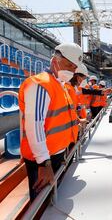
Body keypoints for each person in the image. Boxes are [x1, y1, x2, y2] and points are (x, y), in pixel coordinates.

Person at [19, 42, 83, 201]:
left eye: (74, 68)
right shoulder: (41, 84)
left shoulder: (60, 85)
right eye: (69, 65)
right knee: (42, 205)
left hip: (57, 154)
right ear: (55, 60)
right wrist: (44, 164)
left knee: (54, 200)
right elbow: (35, 126)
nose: (72, 71)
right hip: (43, 161)